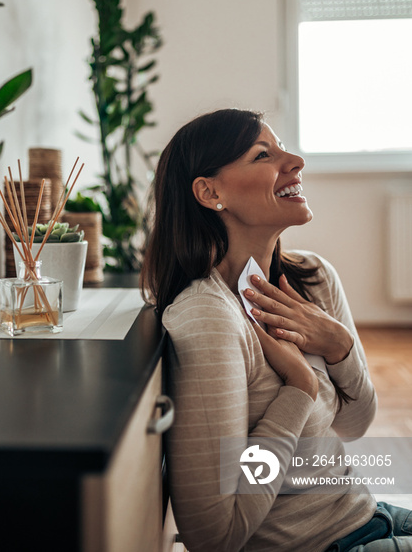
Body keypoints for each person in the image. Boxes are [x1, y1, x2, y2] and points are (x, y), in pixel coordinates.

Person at [140, 108, 412, 552]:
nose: (295, 161)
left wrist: (339, 346)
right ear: (209, 193)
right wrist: (300, 387)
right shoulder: (209, 317)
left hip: (367, 513)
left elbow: (354, 423)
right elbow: (215, 535)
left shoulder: (313, 278)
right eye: (263, 154)